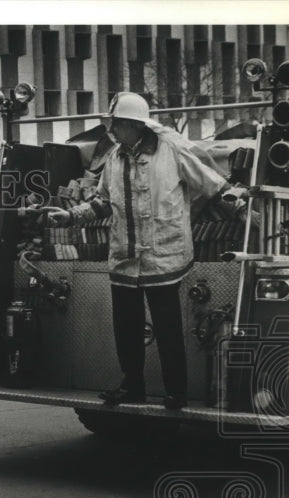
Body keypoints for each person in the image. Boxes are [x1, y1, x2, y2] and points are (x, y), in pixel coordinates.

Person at [45, 92, 239, 411]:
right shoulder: (115, 157)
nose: (112, 131)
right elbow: (103, 201)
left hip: (164, 258)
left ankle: (175, 391)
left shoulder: (173, 150)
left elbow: (212, 185)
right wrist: (70, 215)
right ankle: (132, 386)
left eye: (117, 125)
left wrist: (241, 207)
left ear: (136, 125)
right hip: (124, 259)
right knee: (126, 329)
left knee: (167, 330)